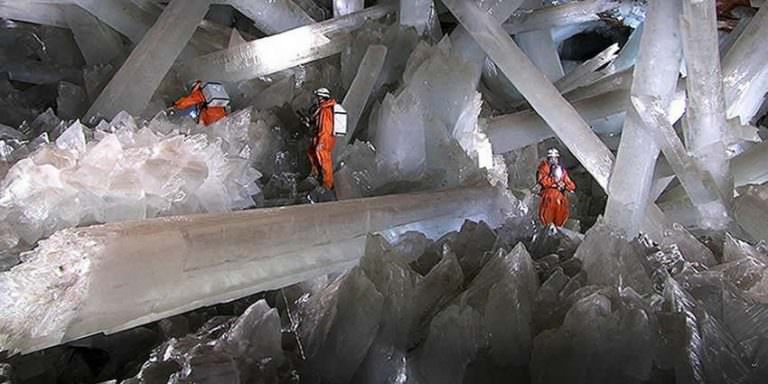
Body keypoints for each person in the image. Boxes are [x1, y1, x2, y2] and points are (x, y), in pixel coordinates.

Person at [306, 87, 337, 190]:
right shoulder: (321, 109)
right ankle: (316, 172)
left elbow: (326, 127)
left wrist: (322, 140)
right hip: (319, 136)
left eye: (318, 97)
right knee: (311, 151)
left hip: (325, 138)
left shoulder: (326, 110)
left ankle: (328, 183)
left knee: (324, 158)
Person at [536, 148, 576, 227]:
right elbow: (543, 180)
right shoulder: (544, 167)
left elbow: (571, 185)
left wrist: (564, 185)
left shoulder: (561, 171)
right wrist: (554, 181)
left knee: (561, 204)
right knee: (550, 200)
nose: (553, 160)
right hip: (548, 193)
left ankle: (558, 226)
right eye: (551, 158)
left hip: (559, 196)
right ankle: (547, 225)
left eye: (555, 158)